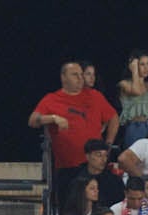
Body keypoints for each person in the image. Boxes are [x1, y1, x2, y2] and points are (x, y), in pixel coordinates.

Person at [31, 61, 120, 191]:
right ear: (63, 77)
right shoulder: (52, 99)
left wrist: (108, 144)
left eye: (81, 74)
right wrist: (53, 118)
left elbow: (113, 118)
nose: (80, 78)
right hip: (67, 168)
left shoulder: (95, 96)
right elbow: (33, 120)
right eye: (74, 75)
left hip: (94, 167)